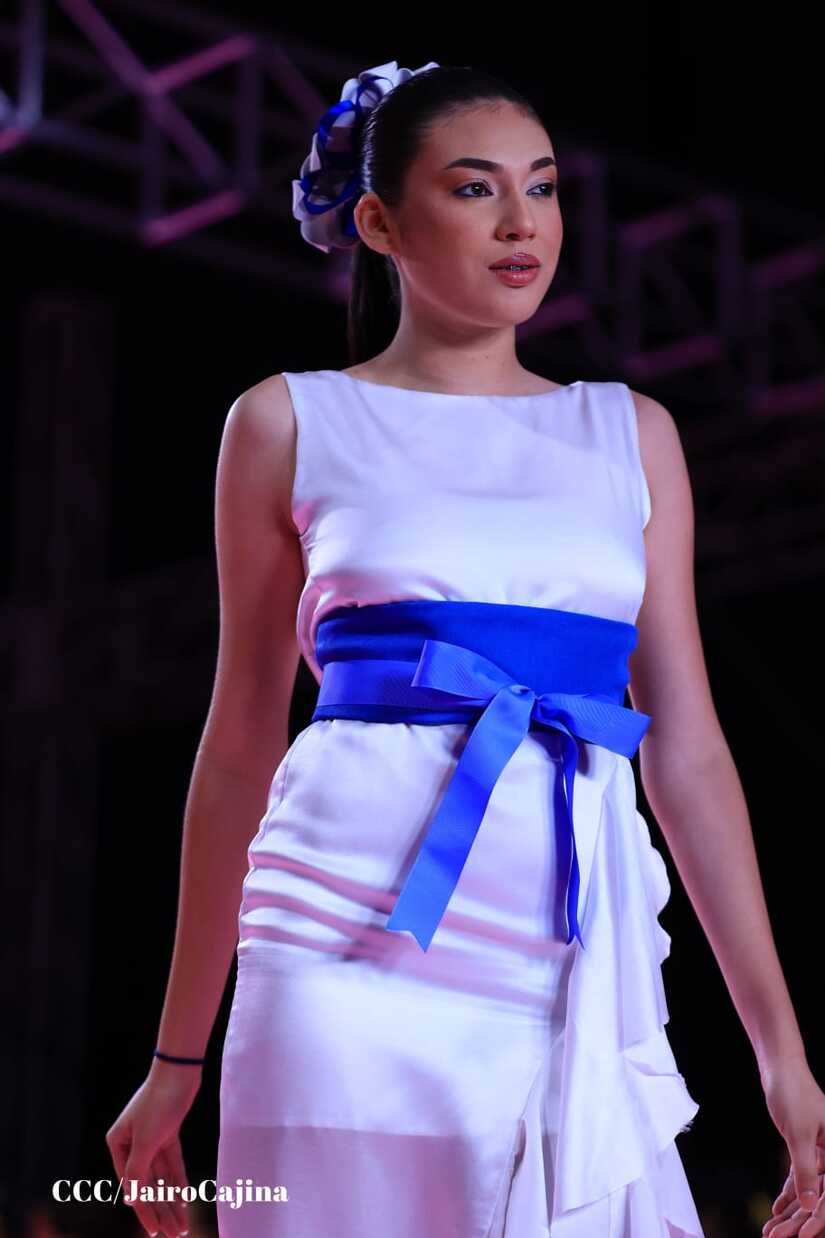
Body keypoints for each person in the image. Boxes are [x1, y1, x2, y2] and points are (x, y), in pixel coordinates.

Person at [105, 60, 825, 1238]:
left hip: (561, 943)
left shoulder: (631, 433)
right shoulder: (285, 421)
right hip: (335, 937)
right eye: (475, 187)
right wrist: (176, 1055)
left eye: (542, 187)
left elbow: (687, 748)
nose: (521, 222)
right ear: (379, 222)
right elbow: (239, 743)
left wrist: (781, 1050)